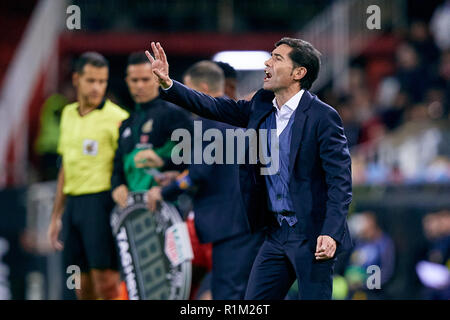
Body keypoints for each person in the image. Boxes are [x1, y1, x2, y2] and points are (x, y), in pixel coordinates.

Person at [145, 38, 353, 300]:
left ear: (299, 73)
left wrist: (330, 233)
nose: (267, 62)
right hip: (275, 233)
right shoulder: (262, 106)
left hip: (311, 235)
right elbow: (214, 106)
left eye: (277, 58)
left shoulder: (323, 116)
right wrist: (168, 84)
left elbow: (340, 182)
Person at [147, 61, 264, 299]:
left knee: (227, 295)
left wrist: (164, 191)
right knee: (247, 293)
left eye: (188, 92)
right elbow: (220, 170)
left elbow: (199, 174)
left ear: (201, 89)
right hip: (249, 224)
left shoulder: (206, 121)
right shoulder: (239, 119)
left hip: (228, 228)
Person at [47, 52, 129, 299]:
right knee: (80, 285)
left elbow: (127, 165)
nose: (97, 87)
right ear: (76, 79)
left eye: (102, 82)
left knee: (105, 283)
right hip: (73, 207)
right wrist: (56, 216)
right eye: (91, 81)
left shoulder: (118, 118)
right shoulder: (68, 114)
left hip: (101, 204)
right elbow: (65, 167)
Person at [111, 52, 192, 205]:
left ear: (156, 79)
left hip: (169, 205)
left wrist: (163, 162)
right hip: (135, 209)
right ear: (127, 81)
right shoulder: (127, 124)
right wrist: (117, 185)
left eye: (145, 79)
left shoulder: (174, 115)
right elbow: (117, 165)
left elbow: (197, 155)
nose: (139, 85)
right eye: (134, 80)